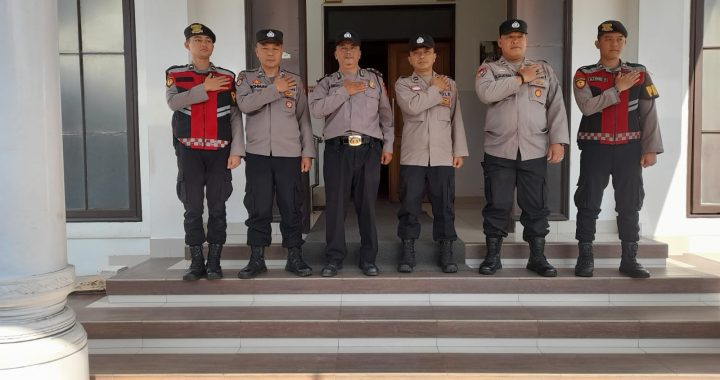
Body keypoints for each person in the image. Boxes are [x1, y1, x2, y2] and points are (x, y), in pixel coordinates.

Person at [475, 19, 569, 277]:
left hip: (534, 149)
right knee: (498, 203)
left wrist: (558, 141)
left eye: (520, 36)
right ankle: (493, 257)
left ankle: (537, 257)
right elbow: (485, 94)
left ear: (526, 40)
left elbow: (556, 106)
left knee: (536, 205)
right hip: (499, 149)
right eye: (510, 36)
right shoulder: (489, 69)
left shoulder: (544, 70)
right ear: (500, 42)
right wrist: (519, 79)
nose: (515, 40)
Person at [572, 20, 662, 279]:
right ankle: (585, 257)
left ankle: (630, 258)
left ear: (625, 43)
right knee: (588, 202)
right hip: (595, 148)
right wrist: (617, 89)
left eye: (619, 39)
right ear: (597, 43)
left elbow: (649, 113)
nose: (614, 44)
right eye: (609, 39)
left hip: (629, 149)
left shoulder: (639, 72)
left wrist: (651, 148)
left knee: (630, 203)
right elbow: (587, 107)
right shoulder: (585, 74)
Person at [309, 31, 393, 277]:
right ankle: (334, 258)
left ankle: (369, 258)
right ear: (335, 54)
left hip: (369, 149)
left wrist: (388, 145)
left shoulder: (375, 80)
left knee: (367, 205)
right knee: (335, 206)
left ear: (359, 53)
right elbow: (316, 109)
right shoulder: (327, 83)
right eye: (342, 48)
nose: (348, 53)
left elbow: (386, 116)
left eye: (352, 48)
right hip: (337, 149)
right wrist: (344, 91)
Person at [235, 29, 315, 279]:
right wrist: (274, 89)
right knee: (258, 207)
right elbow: (244, 106)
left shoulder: (294, 80)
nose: (270, 53)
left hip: (289, 154)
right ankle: (257, 258)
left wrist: (307, 152)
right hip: (257, 154)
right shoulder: (246, 78)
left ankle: (294, 257)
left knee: (292, 206)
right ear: (256, 51)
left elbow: (304, 118)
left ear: (282, 51)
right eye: (265, 48)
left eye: (275, 48)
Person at [165, 23, 244, 281]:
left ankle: (214, 262)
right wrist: (204, 89)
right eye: (197, 39)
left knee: (218, 206)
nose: (203, 44)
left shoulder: (227, 76)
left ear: (212, 46)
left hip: (219, 151)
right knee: (193, 207)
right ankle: (196, 262)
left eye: (208, 40)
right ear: (187, 45)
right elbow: (173, 103)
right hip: (189, 151)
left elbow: (234, 116)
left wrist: (237, 151)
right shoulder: (175, 74)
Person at [394, 33, 468, 273]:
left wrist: (459, 150)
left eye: (427, 51)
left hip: (442, 154)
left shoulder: (450, 84)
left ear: (435, 55)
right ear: (410, 58)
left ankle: (446, 251)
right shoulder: (403, 83)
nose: (422, 56)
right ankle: (408, 249)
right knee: (409, 204)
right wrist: (435, 90)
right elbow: (413, 107)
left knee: (444, 204)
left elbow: (456, 118)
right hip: (413, 155)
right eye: (417, 52)